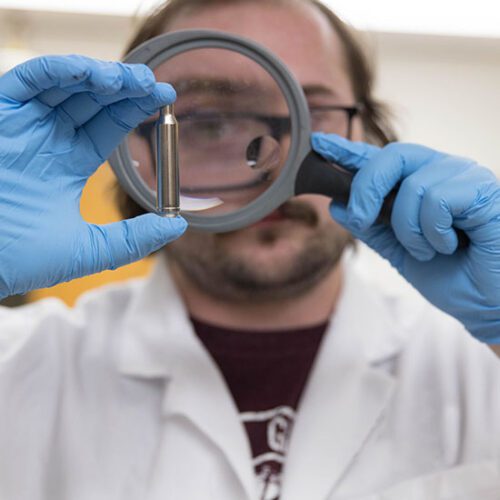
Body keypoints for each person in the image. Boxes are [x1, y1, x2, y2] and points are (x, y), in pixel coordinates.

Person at [0, 0, 499, 499]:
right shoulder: (20, 368)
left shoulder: (480, 369)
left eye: (312, 111)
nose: (269, 162)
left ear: (368, 133)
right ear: (143, 160)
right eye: (209, 123)